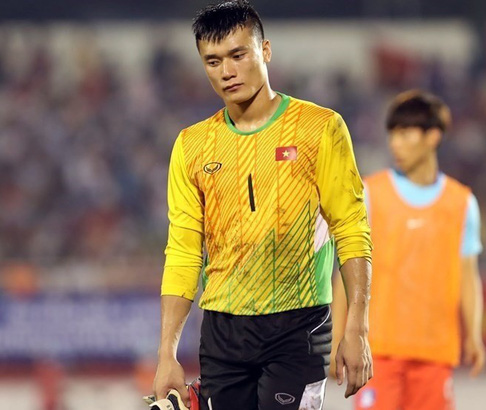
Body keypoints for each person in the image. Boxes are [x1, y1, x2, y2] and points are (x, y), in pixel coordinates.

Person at [152, 2, 373, 409]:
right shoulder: (191, 146)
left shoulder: (320, 128)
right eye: (213, 61)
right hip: (222, 333)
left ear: (265, 51)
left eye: (238, 55)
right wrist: (167, 353)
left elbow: (351, 227)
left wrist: (357, 327)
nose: (226, 71)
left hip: (300, 325)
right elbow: (183, 251)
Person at [331, 90, 486, 410]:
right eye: (392, 134)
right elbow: (348, 272)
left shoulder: (462, 204)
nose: (395, 144)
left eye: (404, 134)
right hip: (377, 352)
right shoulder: (370, 194)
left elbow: (468, 277)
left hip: (434, 354)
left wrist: (474, 334)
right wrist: (337, 338)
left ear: (432, 136)